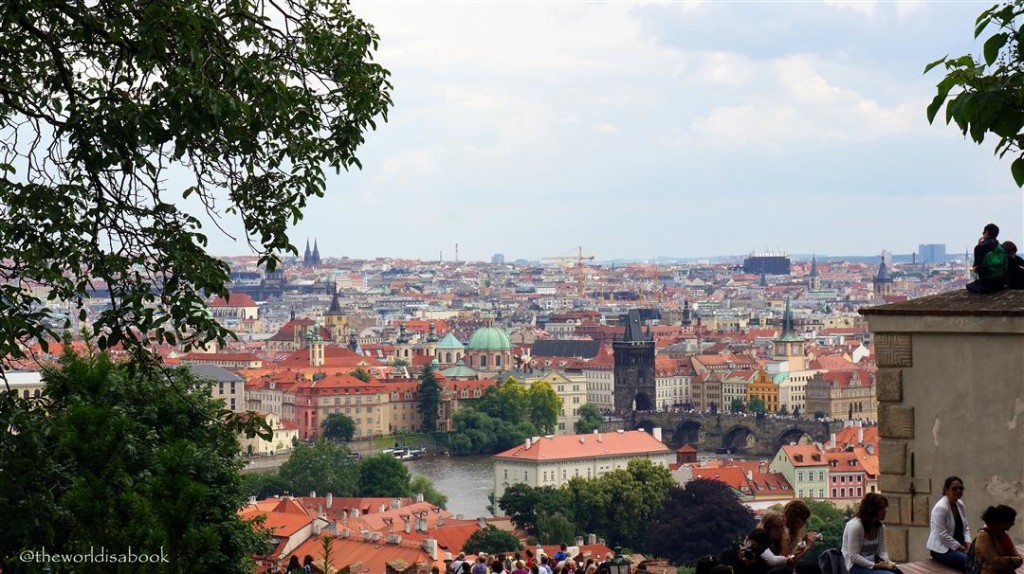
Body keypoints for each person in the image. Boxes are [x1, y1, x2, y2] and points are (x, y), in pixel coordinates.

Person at [842, 493, 900, 574]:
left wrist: (888, 563)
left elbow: (882, 552)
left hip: (873, 564)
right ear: (872, 509)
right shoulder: (855, 526)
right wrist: (875, 566)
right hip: (854, 567)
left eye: (885, 508)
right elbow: (853, 556)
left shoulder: (880, 527)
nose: (885, 511)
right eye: (881, 508)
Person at [927, 476, 971, 570]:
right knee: (969, 563)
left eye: (961, 488)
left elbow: (965, 527)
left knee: (980, 560)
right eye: (954, 489)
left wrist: (968, 544)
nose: (958, 491)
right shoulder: (941, 508)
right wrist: (961, 548)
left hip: (959, 546)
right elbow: (942, 535)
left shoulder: (960, 504)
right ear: (946, 490)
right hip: (943, 549)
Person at [975, 505, 1023, 574]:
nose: (1013, 524)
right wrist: (1014, 560)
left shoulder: (1003, 535)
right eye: (1011, 521)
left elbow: (1016, 555)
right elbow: (996, 563)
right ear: (1003, 522)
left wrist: (1013, 560)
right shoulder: (984, 537)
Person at [784, 500, 823, 574]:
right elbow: (788, 560)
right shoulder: (784, 533)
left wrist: (803, 541)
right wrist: (807, 546)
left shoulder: (789, 531)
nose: (805, 522)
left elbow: (793, 552)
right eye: (803, 519)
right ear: (795, 519)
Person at [967, 223, 1007, 294]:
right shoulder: (1002, 248)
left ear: (987, 233)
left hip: (987, 284)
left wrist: (979, 246)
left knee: (969, 286)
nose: (983, 234)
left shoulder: (979, 248)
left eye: (983, 232)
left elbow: (977, 268)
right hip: (1001, 283)